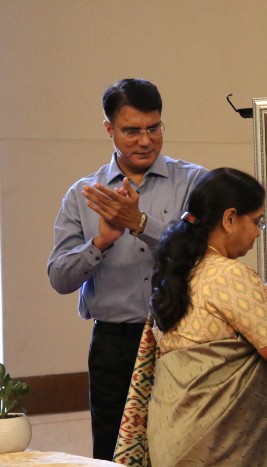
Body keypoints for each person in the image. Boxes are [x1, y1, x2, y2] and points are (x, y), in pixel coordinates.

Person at [47, 78, 208, 460]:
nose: (145, 140)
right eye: (131, 130)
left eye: (154, 128)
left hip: (180, 339)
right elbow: (59, 278)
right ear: (109, 130)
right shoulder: (83, 195)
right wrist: (101, 242)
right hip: (113, 345)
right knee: (111, 452)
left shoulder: (195, 182)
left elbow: (205, 255)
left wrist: (140, 223)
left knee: (184, 451)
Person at [147, 168, 267, 466]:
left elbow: (224, 321)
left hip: (175, 438)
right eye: (256, 221)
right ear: (229, 219)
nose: (257, 232)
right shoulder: (231, 275)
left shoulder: (182, 269)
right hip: (216, 447)